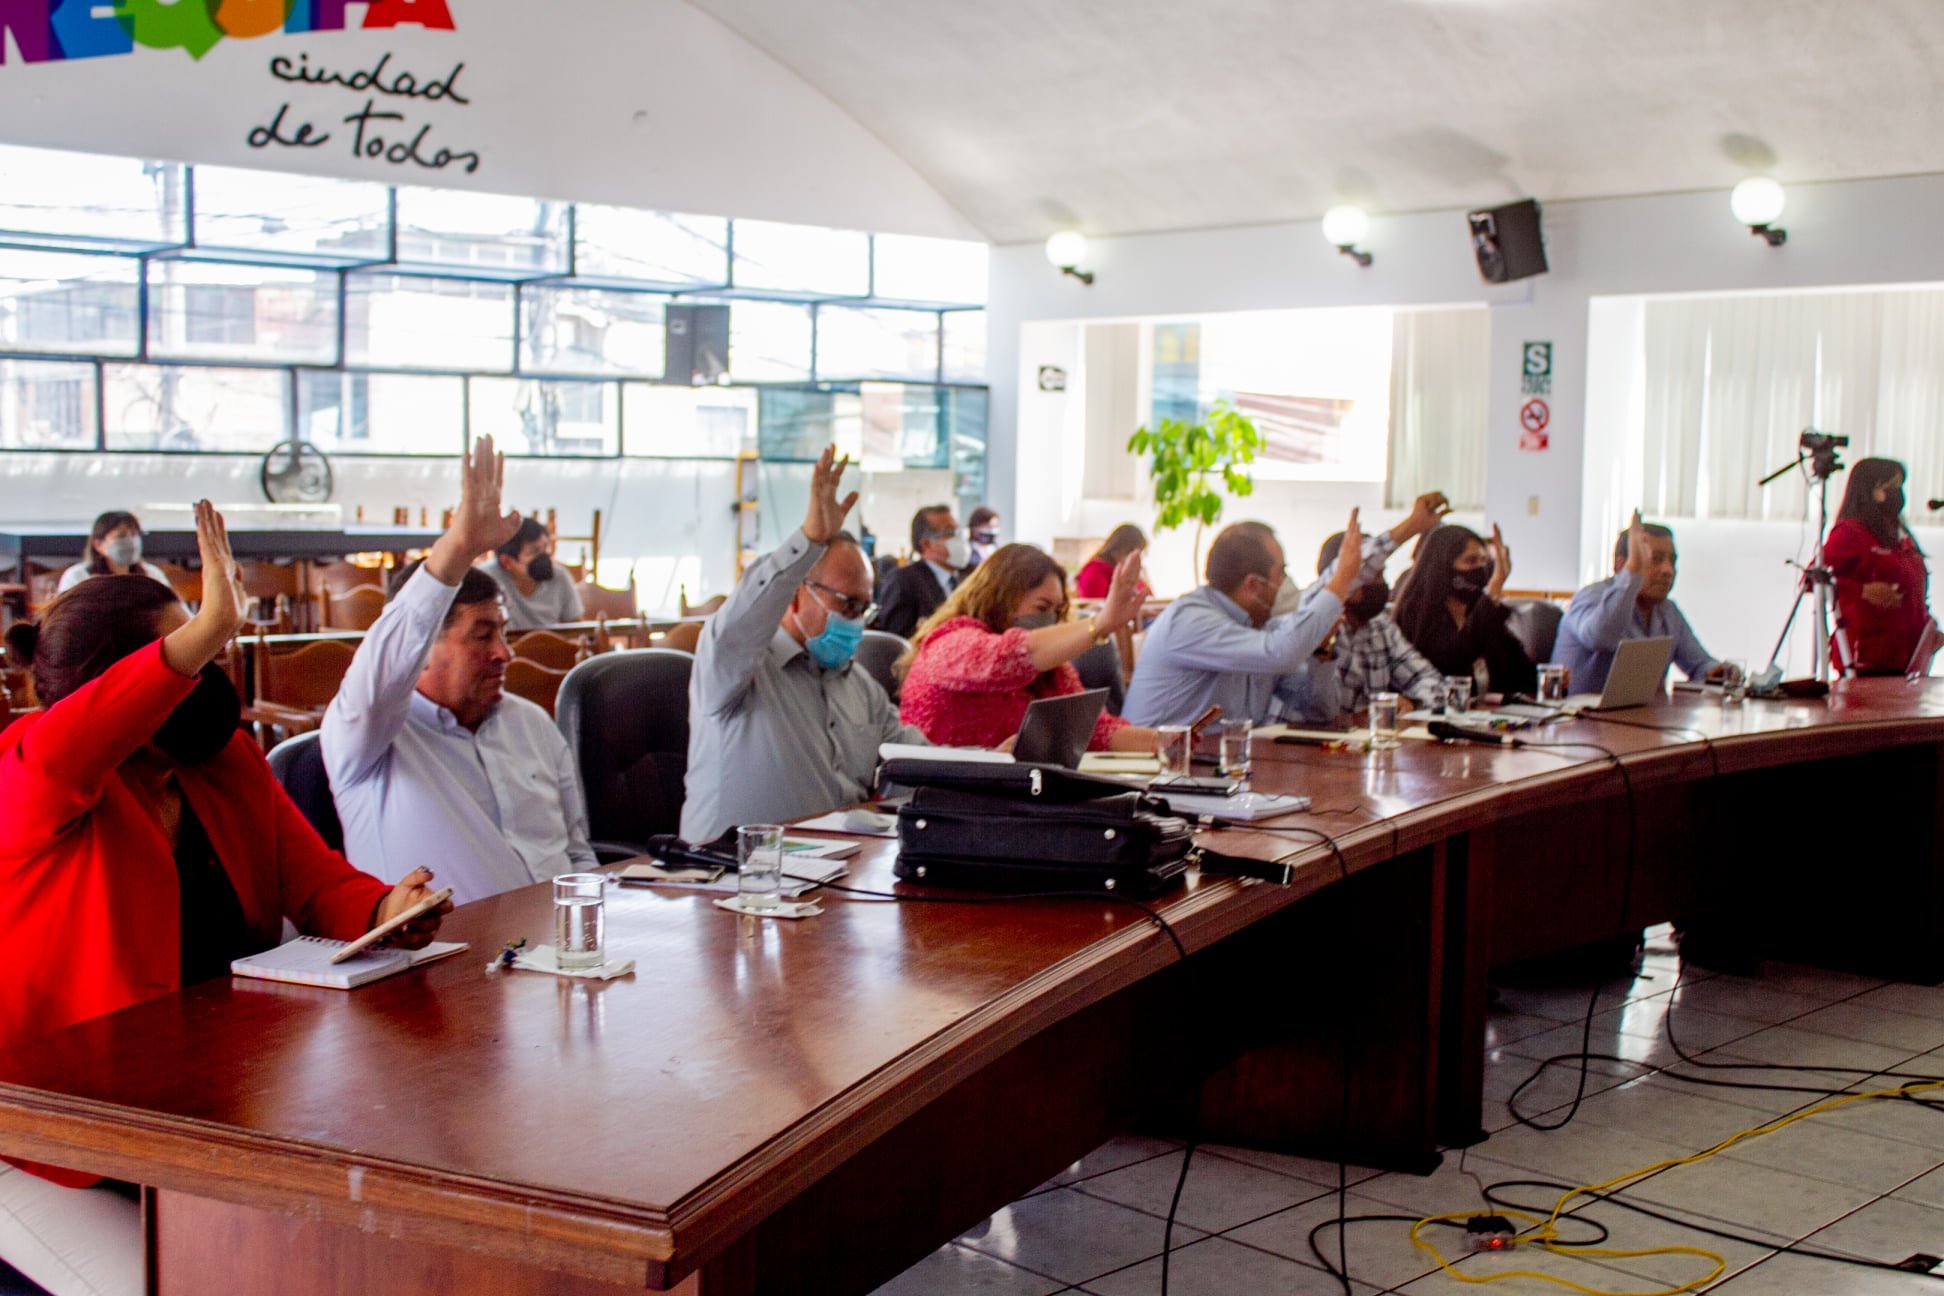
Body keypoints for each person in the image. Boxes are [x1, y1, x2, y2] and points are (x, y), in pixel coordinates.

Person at [0, 502, 447, 1296]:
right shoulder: (33, 775)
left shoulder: (226, 765)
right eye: (195, 652)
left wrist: (386, 911)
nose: (216, 671)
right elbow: (75, 741)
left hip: (206, 1117)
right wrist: (205, 627)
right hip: (56, 1145)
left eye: (216, 648)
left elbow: (315, 882)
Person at [323, 437, 596, 904]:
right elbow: (383, 670)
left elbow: (578, 856)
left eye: (503, 633)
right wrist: (458, 547)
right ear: (426, 646)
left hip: (561, 957)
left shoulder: (530, 724)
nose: (504, 654)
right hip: (440, 966)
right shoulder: (371, 739)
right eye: (482, 635)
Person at [682, 446, 929, 844]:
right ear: (795, 596)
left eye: (864, 609)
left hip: (837, 872)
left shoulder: (857, 683)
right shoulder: (733, 670)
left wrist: (992, 764)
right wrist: (809, 540)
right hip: (735, 879)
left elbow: (914, 759)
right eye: (846, 604)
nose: (854, 621)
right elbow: (741, 618)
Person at [898, 543, 1158, 752]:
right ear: (999, 599)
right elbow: (1010, 657)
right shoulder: (949, 642)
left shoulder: (1049, 669)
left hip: (1005, 799)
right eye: (1042, 608)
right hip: (932, 798)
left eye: (1057, 611)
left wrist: (1171, 744)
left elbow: (1096, 731)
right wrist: (1099, 625)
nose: (1051, 620)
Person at [1121, 512, 1363, 727]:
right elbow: (1280, 653)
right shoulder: (1189, 619)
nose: (1287, 583)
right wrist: (1340, 581)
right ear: (1253, 585)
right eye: (1281, 572)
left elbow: (1320, 712)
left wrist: (1320, 652)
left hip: (1216, 767)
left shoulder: (1260, 628)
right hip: (1154, 770)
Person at [1552, 512, 1718, 692]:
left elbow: (1700, 664)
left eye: (1672, 561)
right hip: (1580, 717)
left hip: (1643, 717)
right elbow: (1601, 638)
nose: (1668, 570)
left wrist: (1716, 671)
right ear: (1621, 565)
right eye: (1655, 559)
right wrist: (1632, 574)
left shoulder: (1668, 611)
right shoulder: (1590, 597)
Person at [1294, 530, 1446, 721]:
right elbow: (1317, 709)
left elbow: (1431, 681)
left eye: (1382, 574)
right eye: (1373, 576)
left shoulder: (1380, 625)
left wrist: (1411, 702)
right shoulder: (1309, 624)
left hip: (1370, 741)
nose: (1383, 583)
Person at [1390, 523, 1537, 699]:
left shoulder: (1482, 610)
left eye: (1484, 560)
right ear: (1443, 566)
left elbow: (1520, 670)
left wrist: (1547, 678)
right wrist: (1492, 593)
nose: (1481, 568)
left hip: (1489, 718)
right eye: (1470, 561)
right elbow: (1453, 660)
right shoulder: (1416, 615)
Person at [1826, 457, 1931, 675]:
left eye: (1900, 486)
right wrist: (1862, 591)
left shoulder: (1900, 535)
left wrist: (1928, 629)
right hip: (1867, 658)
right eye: (1891, 487)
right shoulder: (1850, 532)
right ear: (1870, 490)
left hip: (1907, 658)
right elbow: (1813, 581)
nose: (1898, 494)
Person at [871, 504, 965, 638]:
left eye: (958, 532)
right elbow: (897, 640)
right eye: (949, 533)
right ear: (926, 544)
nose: (959, 539)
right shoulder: (904, 580)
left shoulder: (965, 578)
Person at [486, 517, 584, 630]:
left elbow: (576, 627)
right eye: (534, 551)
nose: (545, 557)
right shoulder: (488, 580)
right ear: (507, 562)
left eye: (546, 547)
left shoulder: (559, 575)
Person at [55, 510, 174, 593]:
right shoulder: (77, 577)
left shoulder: (152, 575)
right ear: (98, 545)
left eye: (134, 535)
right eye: (121, 536)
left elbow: (178, 616)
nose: (130, 541)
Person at [1074, 524, 1152, 600]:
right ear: (1119, 549)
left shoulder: (1128, 572)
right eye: (1132, 552)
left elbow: (1148, 596)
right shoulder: (1094, 572)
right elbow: (1095, 607)